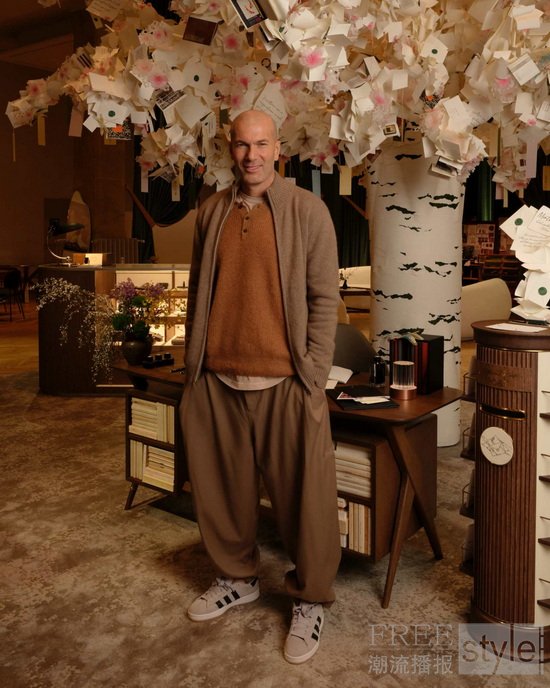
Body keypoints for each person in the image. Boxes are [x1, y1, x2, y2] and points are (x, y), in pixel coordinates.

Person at [179, 109, 341, 664]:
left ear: (278, 150)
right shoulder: (211, 212)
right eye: (242, 145)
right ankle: (237, 578)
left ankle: (311, 598)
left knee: (306, 500)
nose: (252, 155)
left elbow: (324, 299)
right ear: (231, 149)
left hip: (286, 381)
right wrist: (193, 364)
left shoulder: (307, 211)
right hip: (217, 377)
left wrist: (313, 372)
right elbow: (198, 291)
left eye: (261, 144)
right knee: (221, 491)